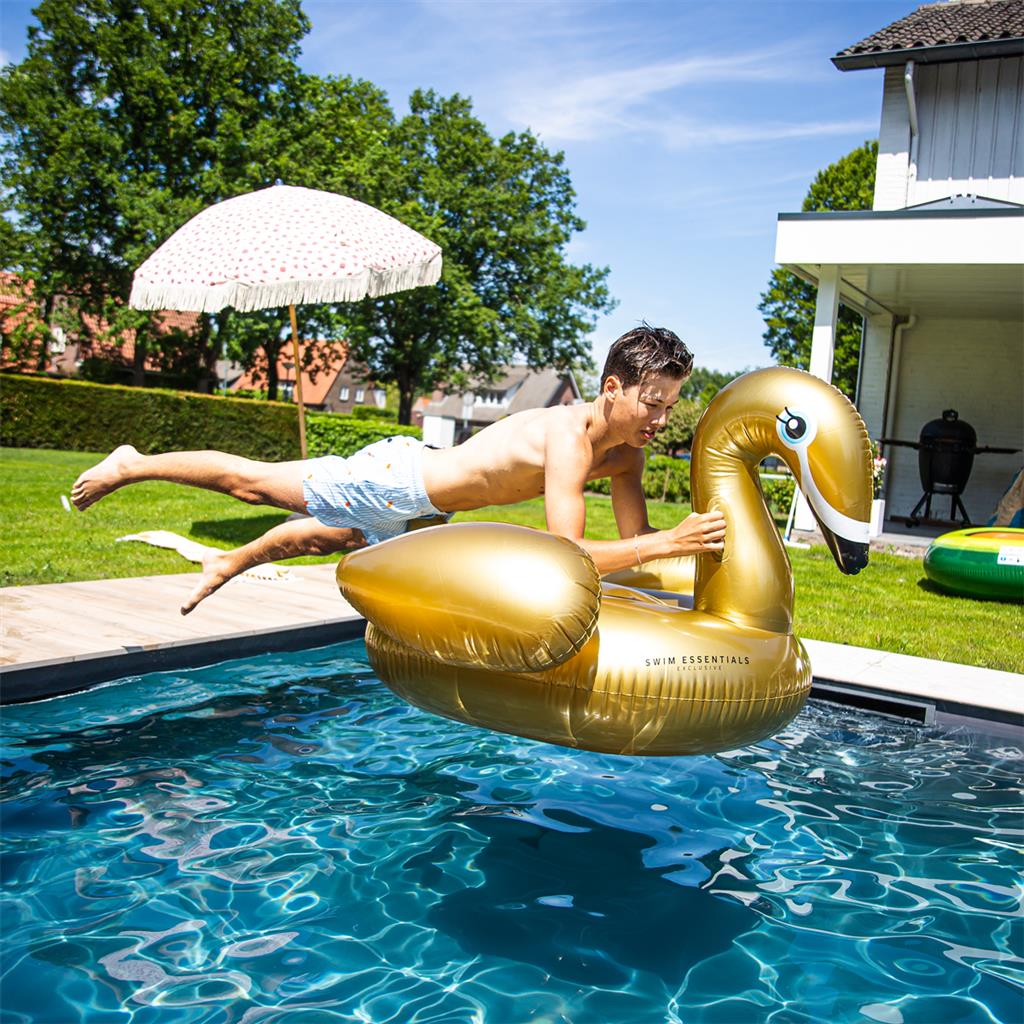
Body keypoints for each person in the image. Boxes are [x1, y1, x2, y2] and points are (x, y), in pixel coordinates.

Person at [72, 325, 727, 615]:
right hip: (400, 479)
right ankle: (136, 463)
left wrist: (675, 577)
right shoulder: (567, 437)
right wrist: (671, 542)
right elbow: (571, 555)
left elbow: (632, 551)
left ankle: (227, 563)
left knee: (327, 539)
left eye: (670, 405)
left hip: (428, 511)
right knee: (257, 484)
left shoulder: (627, 456)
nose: (661, 418)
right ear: (612, 387)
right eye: (652, 401)